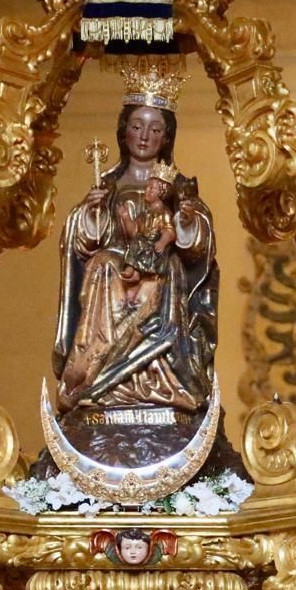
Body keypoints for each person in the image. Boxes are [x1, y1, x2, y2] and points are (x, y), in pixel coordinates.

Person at [53, 88, 217, 414]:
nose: (144, 136)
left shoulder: (177, 186)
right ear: (123, 130)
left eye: (155, 129)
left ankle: (159, 378)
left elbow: (199, 238)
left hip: (159, 267)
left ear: (166, 137)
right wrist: (92, 211)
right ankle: (95, 373)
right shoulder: (109, 184)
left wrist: (185, 222)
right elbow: (83, 239)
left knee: (160, 272)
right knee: (102, 264)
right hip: (114, 266)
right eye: (137, 126)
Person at [114, 163, 178, 315]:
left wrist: (163, 241)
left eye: (152, 188)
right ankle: (133, 269)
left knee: (138, 241)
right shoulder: (145, 214)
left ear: (161, 193)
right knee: (137, 239)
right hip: (144, 246)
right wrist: (126, 217)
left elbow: (170, 231)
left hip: (156, 249)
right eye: (148, 186)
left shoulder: (164, 212)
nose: (147, 190)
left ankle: (134, 269)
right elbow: (134, 231)